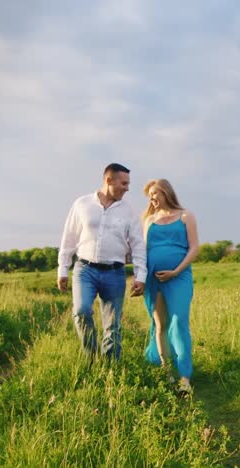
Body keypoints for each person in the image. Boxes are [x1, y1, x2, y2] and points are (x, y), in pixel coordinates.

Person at [57, 163, 147, 361]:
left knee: (112, 323)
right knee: (81, 310)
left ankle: (110, 366)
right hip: (85, 269)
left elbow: (138, 244)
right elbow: (69, 238)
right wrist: (62, 269)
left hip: (114, 272)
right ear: (109, 180)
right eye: (123, 183)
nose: (127, 188)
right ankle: (91, 358)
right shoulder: (82, 204)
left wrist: (141, 275)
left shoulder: (129, 210)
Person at [142, 179, 199, 394]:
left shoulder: (185, 216)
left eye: (154, 194)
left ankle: (184, 377)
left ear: (165, 192)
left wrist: (176, 271)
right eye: (149, 196)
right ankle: (167, 373)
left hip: (179, 277)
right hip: (153, 279)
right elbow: (144, 251)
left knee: (179, 320)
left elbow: (194, 249)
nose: (152, 199)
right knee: (160, 324)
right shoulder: (149, 221)